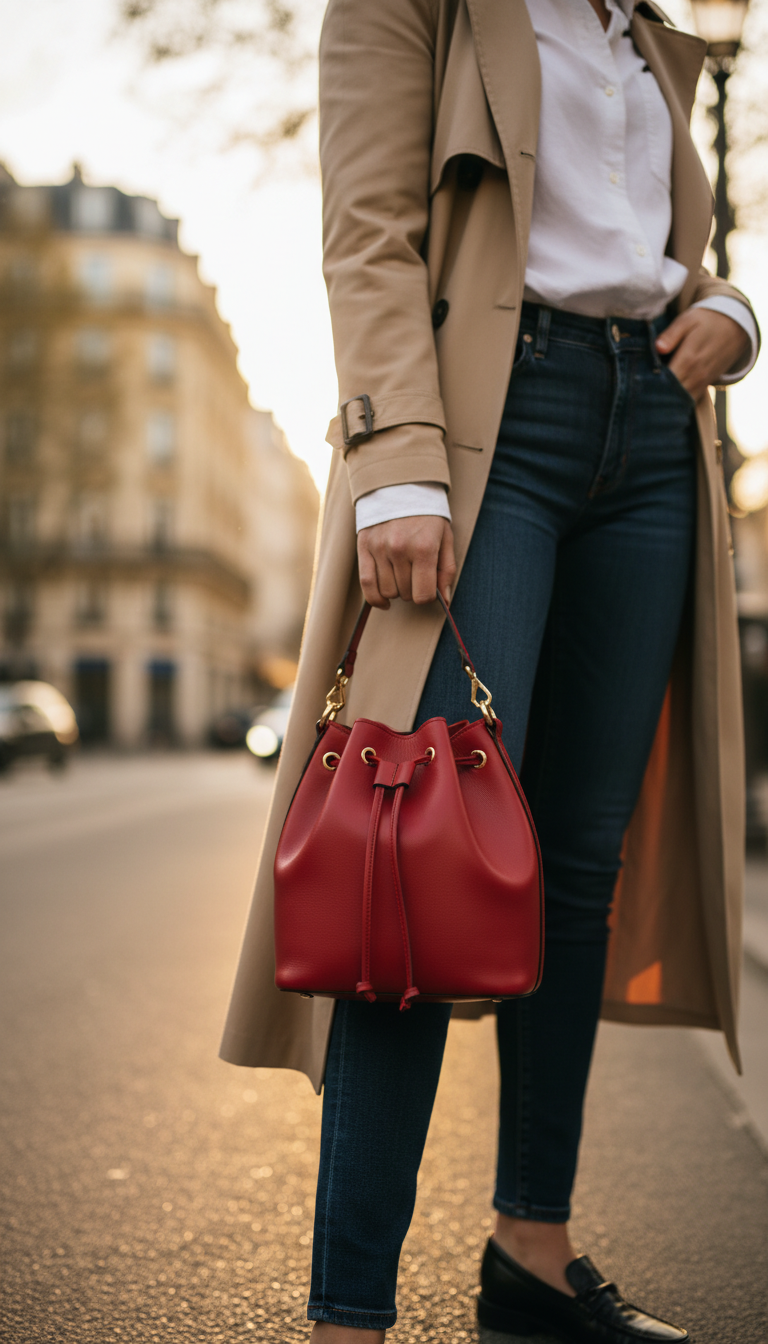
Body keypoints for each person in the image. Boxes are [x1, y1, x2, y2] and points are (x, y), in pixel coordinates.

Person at [220, 0, 760, 1339]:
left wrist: (731, 304)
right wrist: (396, 451)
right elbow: (369, 225)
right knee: (415, 849)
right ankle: (352, 1312)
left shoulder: (645, 35)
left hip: (646, 432)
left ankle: (532, 1250)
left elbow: (644, 248)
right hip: (482, 425)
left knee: (575, 863)